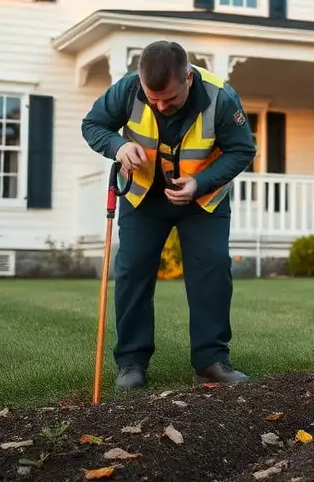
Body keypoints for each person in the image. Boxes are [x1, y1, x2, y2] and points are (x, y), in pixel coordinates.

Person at [80, 39, 257, 389]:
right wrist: (118, 146)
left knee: (212, 270)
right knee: (132, 273)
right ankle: (131, 364)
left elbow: (242, 150)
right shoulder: (127, 90)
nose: (160, 106)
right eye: (152, 98)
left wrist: (200, 182)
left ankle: (211, 362)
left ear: (188, 78)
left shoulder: (221, 97)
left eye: (169, 99)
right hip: (143, 196)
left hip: (201, 200)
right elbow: (93, 126)